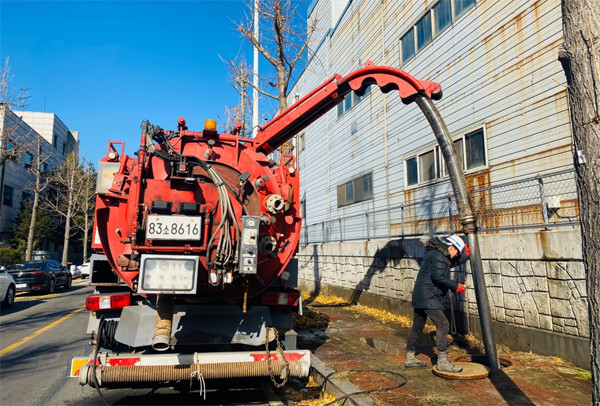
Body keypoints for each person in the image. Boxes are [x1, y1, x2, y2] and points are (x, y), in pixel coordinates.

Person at [405, 234, 470, 372]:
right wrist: (456, 286)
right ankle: (442, 361)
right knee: (443, 324)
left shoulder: (437, 254)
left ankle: (410, 357)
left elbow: (449, 264)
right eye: (457, 253)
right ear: (451, 248)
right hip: (428, 296)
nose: (456, 256)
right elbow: (439, 277)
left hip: (421, 295)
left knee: (417, 326)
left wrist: (465, 256)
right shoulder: (439, 256)